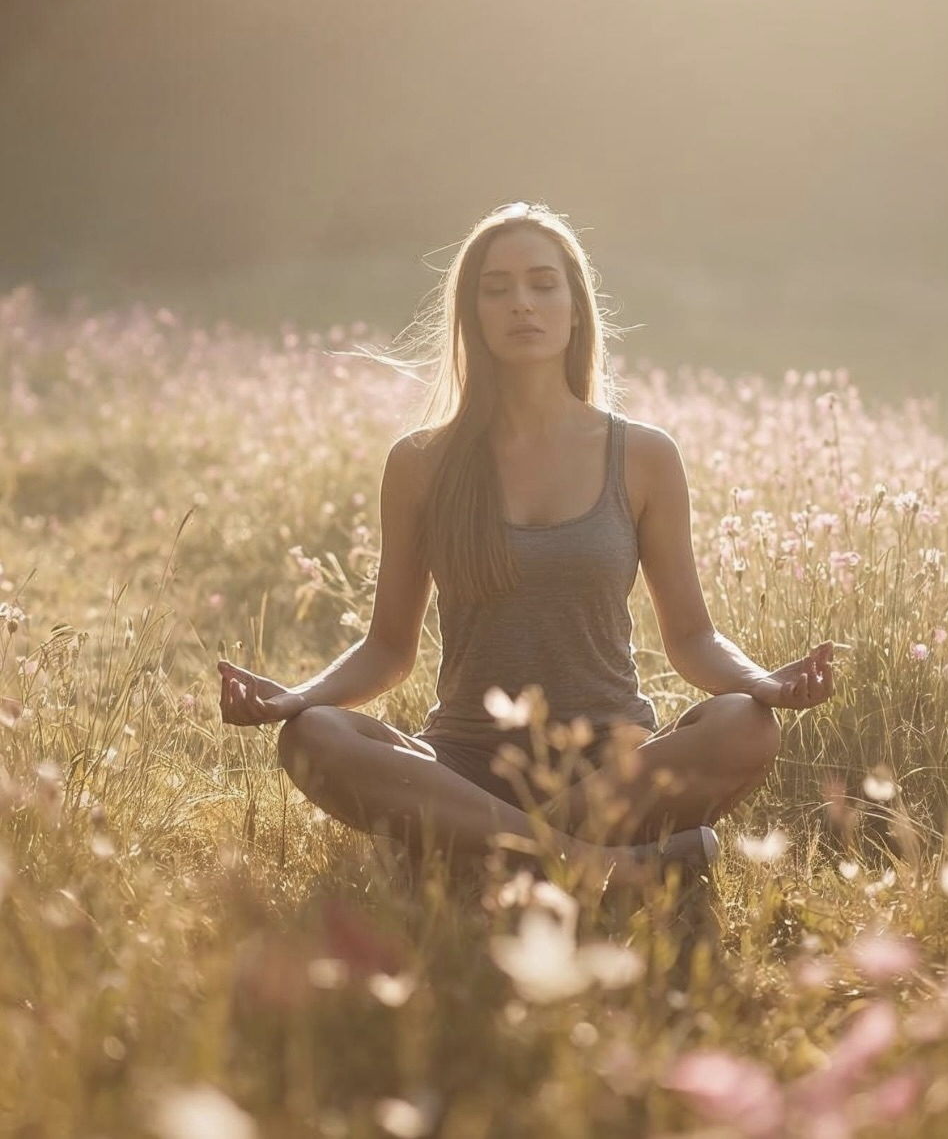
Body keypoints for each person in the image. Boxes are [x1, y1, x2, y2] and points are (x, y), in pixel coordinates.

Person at [218, 202, 834, 884]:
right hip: (466, 764)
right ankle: (604, 869)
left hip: (607, 766)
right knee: (314, 737)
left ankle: (475, 850)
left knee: (745, 726)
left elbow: (691, 638)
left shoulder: (644, 456)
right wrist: (292, 699)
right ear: (472, 314)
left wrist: (762, 682)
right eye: (497, 287)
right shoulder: (422, 462)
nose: (521, 303)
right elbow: (388, 650)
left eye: (543, 284)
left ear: (576, 307)